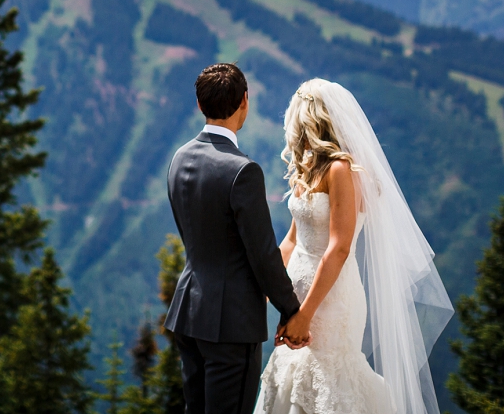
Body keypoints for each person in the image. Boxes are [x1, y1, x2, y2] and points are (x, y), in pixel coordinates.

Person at [255, 79, 452, 414]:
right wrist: (266, 290)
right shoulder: (307, 170)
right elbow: (292, 239)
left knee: (330, 377)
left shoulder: (340, 170)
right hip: (296, 300)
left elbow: (340, 248)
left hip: (331, 303)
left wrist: (306, 313)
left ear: (312, 121)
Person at [164, 63, 303, 414]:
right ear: (245, 101)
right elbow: (262, 254)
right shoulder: (243, 171)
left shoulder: (180, 158)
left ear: (200, 105)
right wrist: (292, 310)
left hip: (189, 314)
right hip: (230, 323)